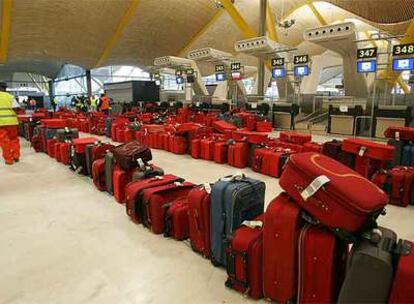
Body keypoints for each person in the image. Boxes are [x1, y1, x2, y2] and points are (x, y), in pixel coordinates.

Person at [0, 82, 20, 165]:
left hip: (1, 123)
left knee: (4, 141)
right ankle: (16, 155)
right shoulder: (10, 97)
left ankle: (9, 160)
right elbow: (16, 108)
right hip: (12, 122)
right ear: (5, 88)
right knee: (14, 139)